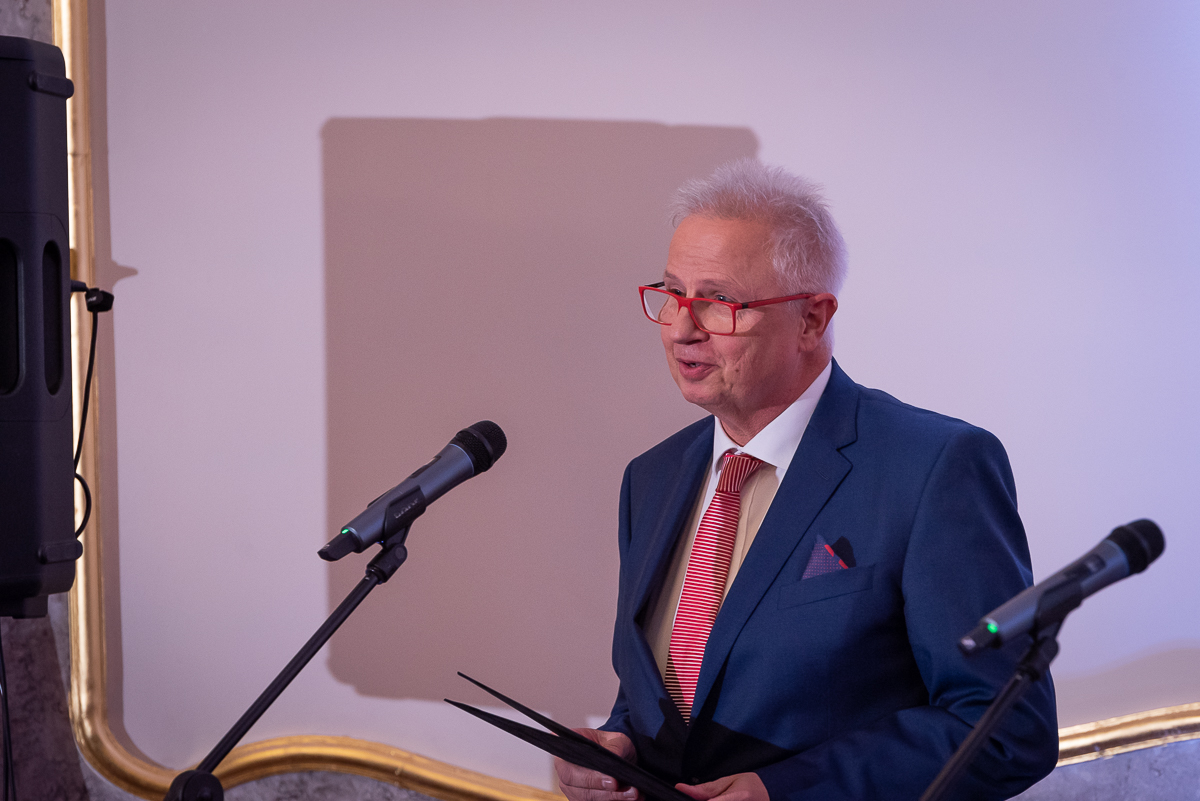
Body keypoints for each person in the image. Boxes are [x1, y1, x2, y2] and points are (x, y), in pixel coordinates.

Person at [554, 160, 1058, 801]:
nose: (681, 328)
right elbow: (672, 692)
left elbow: (1007, 729)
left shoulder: (933, 467)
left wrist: (785, 791)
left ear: (813, 320)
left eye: (718, 303)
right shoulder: (650, 478)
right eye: (672, 294)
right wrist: (615, 748)